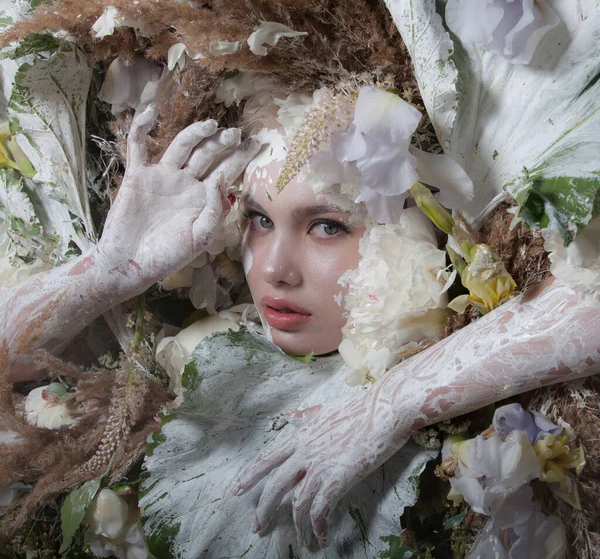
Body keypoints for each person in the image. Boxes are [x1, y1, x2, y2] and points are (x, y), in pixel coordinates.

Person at [2, 83, 600, 554]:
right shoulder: (197, 326)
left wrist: (396, 400)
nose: (272, 270)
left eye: (328, 226)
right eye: (259, 221)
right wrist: (107, 272)